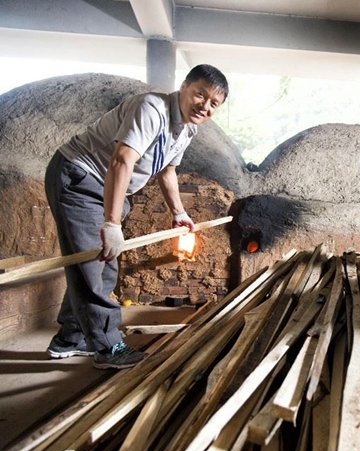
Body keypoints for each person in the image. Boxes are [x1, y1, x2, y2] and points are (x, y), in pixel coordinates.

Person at [44, 64, 229, 369]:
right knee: (101, 264)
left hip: (104, 186)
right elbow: (121, 160)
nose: (205, 106)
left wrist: (179, 212)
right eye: (200, 94)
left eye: (214, 104)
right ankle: (107, 347)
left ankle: (70, 338)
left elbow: (167, 170)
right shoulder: (152, 109)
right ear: (183, 87)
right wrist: (112, 223)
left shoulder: (187, 129)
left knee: (88, 261)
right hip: (80, 177)